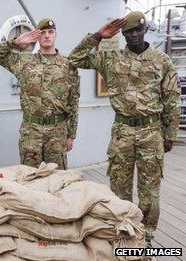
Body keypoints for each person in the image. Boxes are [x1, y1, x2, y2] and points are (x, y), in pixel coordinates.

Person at [68, 11, 180, 246]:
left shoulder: (162, 61)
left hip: (152, 131)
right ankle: (123, 229)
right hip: (122, 131)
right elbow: (75, 59)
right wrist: (98, 35)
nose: (135, 34)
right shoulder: (110, 58)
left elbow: (171, 99)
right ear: (123, 33)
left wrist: (169, 135)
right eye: (129, 31)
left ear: (145, 29)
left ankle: (147, 235)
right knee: (119, 185)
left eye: (139, 29)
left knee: (150, 189)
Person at [0, 18, 80, 169]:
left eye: (50, 32)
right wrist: (15, 42)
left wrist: (71, 135)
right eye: (42, 32)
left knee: (56, 177)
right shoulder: (24, 61)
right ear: (37, 36)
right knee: (29, 176)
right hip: (31, 129)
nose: (47, 36)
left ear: (56, 34)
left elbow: (74, 100)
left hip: (58, 131)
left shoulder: (68, 64)